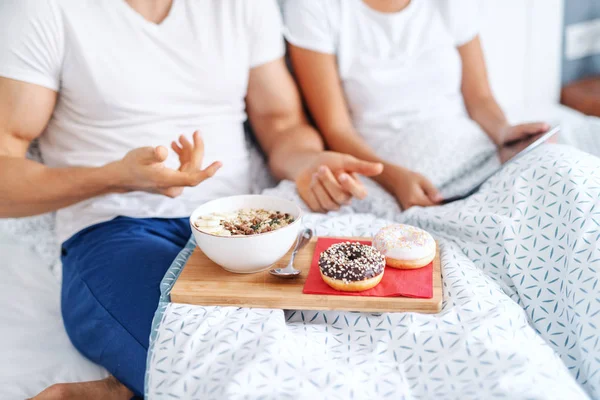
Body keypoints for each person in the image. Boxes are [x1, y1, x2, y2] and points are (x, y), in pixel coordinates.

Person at [0, 0, 383, 398]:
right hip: (117, 232)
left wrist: (309, 164)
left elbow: (281, 122)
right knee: (215, 358)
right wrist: (116, 177)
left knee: (363, 333)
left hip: (247, 226)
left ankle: (121, 388)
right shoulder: (43, 10)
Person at [283, 0, 551, 210]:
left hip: (474, 153)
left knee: (560, 177)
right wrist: (394, 179)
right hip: (392, 171)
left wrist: (504, 133)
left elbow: (480, 99)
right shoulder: (315, 7)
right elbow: (336, 129)